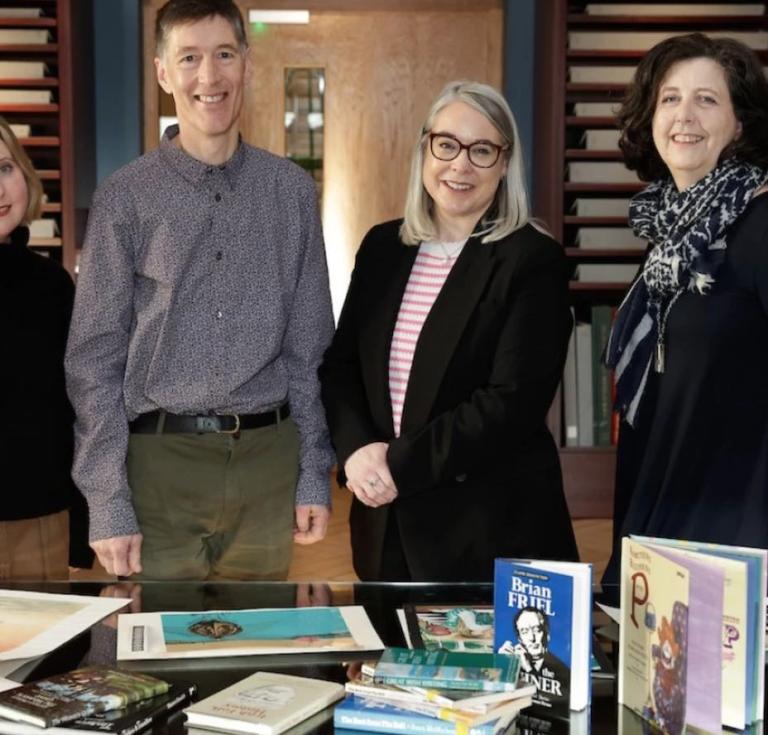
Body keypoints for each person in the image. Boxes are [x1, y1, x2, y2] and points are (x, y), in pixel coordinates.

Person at [65, 0, 334, 581]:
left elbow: (309, 348)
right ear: (164, 73)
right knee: (147, 659)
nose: (208, 77)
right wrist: (107, 499)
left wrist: (314, 468)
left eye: (223, 55)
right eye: (189, 58)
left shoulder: (290, 193)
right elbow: (94, 360)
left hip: (268, 464)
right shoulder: (125, 198)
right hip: (157, 467)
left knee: (258, 663)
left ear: (247, 65)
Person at [319, 80, 578, 582]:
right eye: (446, 145)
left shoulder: (531, 260)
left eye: (482, 150)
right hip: (383, 526)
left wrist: (396, 463)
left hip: (486, 531)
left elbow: (510, 403)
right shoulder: (383, 248)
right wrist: (354, 452)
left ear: (505, 163)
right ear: (424, 150)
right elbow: (340, 366)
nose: (460, 165)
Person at [603, 33, 768, 583]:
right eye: (670, 98)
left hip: (735, 525)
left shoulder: (760, 224)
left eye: (707, 99)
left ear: (740, 122)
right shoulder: (666, 235)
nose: (684, 115)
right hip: (661, 509)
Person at [0, 117, 92, 579]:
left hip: (41, 516)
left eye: (4, 168)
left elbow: (74, 408)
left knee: (43, 652)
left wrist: (80, 526)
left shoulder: (52, 285)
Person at [498, 607, 568, 703]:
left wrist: (528, 669)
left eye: (537, 630)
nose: (532, 638)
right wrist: (502, 666)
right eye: (524, 632)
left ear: (547, 634)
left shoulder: (563, 672)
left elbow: (551, 700)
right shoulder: (515, 660)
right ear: (520, 639)